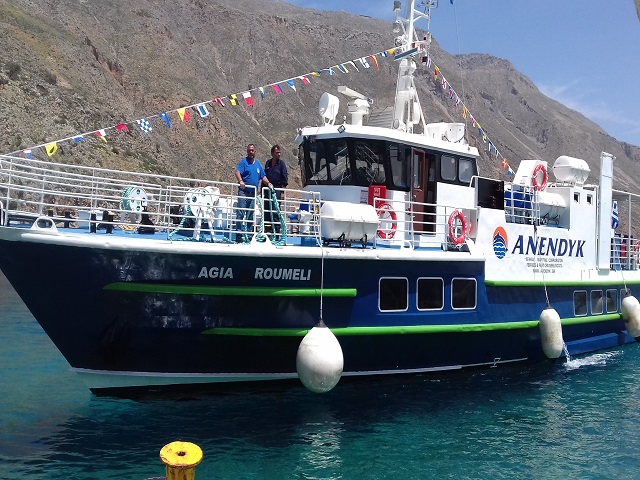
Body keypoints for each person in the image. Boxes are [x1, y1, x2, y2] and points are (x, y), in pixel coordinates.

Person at [235, 144, 271, 241]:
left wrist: (268, 183)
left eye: (252, 150)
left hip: (253, 193)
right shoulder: (244, 162)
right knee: (241, 212)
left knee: (250, 214)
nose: (251, 152)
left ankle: (250, 235)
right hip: (244, 192)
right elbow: (237, 172)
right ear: (247, 151)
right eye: (249, 150)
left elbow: (262, 176)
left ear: (255, 152)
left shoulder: (258, 164)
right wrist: (240, 181)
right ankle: (238, 234)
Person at [264, 144, 289, 234]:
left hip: (277, 190)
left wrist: (282, 192)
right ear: (272, 153)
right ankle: (267, 230)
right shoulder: (268, 163)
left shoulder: (281, 164)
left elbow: (284, 178)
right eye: (277, 152)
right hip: (267, 190)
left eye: (279, 153)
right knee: (266, 210)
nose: (278, 154)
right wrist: (262, 191)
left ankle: (277, 232)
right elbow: (264, 177)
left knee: (275, 210)